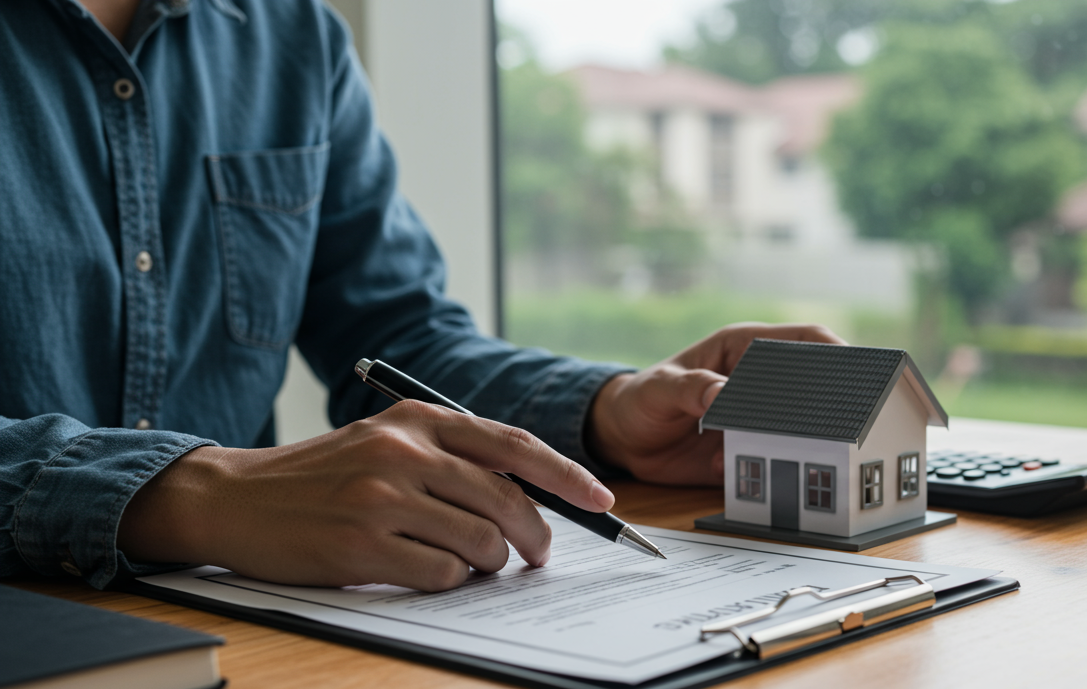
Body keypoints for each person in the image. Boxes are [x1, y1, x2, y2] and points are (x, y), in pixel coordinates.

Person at [0, 0, 841, 593]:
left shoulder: (292, 36)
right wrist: (192, 494)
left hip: (245, 641)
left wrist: (606, 410)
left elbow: (394, 335)